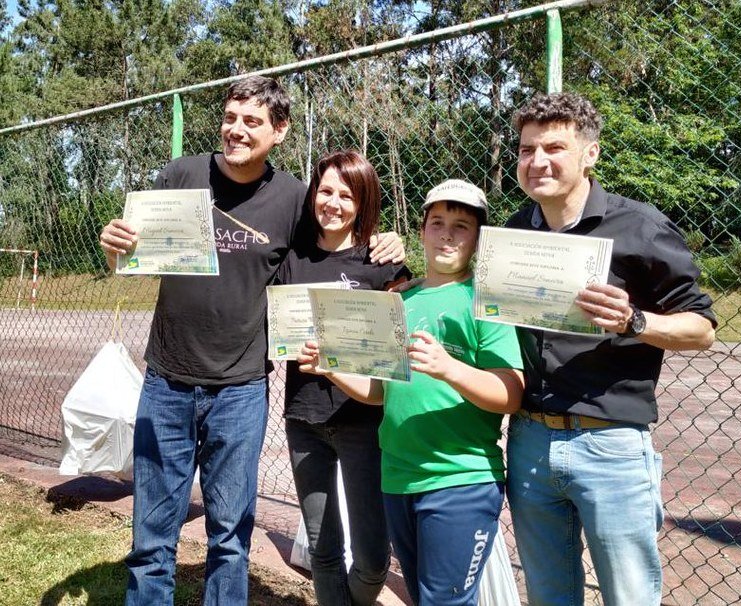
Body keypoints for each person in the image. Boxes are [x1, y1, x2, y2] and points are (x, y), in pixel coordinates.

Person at [98, 76, 403, 606]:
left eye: (252, 121)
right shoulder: (180, 175)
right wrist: (114, 248)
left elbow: (332, 243)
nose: (236, 130)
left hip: (239, 390)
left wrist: (381, 238)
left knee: (230, 538)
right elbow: (134, 255)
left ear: (279, 131)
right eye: (230, 117)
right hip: (166, 381)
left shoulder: (294, 199)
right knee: (150, 539)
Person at [504, 91, 717, 606]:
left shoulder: (639, 227)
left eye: (554, 147)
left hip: (610, 443)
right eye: (527, 149)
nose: (537, 161)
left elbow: (702, 328)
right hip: (529, 439)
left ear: (590, 154)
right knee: (548, 595)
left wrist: (634, 321)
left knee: (629, 596)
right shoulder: (514, 231)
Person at [298, 179, 525, 606]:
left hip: (459, 479)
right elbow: (379, 392)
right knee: (423, 597)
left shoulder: (485, 301)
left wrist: (449, 367)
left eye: (461, 226)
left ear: (478, 239)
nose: (446, 235)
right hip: (399, 476)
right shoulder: (401, 301)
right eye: (437, 223)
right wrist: (332, 368)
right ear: (421, 231)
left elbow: (510, 393)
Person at [278, 150, 411, 605]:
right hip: (304, 420)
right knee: (324, 548)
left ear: (363, 202)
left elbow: (399, 347)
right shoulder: (292, 258)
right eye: (325, 191)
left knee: (373, 559)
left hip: (364, 424)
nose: (332, 203)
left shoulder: (382, 263)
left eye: (346, 195)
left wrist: (395, 241)